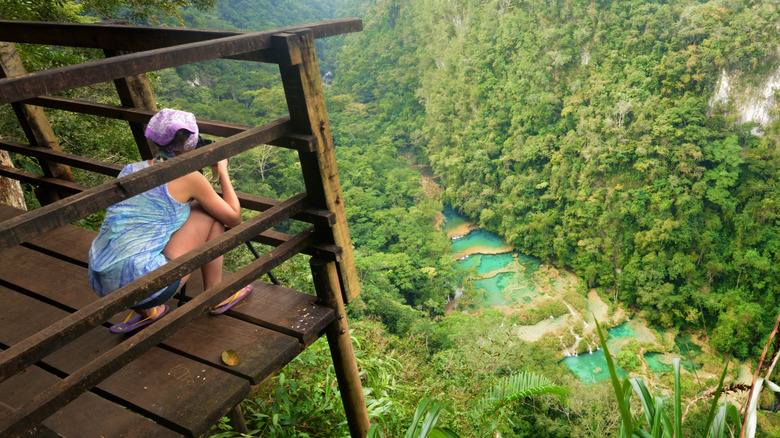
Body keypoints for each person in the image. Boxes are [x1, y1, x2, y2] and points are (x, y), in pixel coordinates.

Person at [88, 108, 253, 334]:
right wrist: (222, 169)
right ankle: (216, 294)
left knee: (141, 235)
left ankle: (149, 312)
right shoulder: (189, 177)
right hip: (148, 287)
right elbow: (234, 218)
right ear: (191, 144)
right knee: (210, 214)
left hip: (102, 280)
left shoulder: (130, 170)